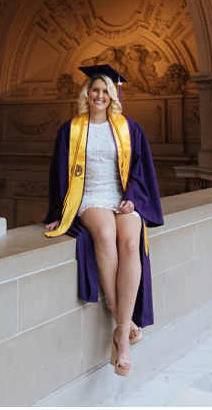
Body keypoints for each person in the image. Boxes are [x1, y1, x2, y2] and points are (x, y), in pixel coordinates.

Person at [43, 65, 163, 378]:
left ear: (112, 95)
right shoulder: (71, 129)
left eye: (105, 91)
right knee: (106, 234)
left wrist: (133, 198)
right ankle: (124, 326)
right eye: (95, 90)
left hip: (119, 197)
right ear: (87, 93)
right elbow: (58, 172)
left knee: (130, 238)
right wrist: (58, 213)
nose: (100, 95)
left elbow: (139, 168)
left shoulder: (127, 128)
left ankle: (121, 332)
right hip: (90, 198)